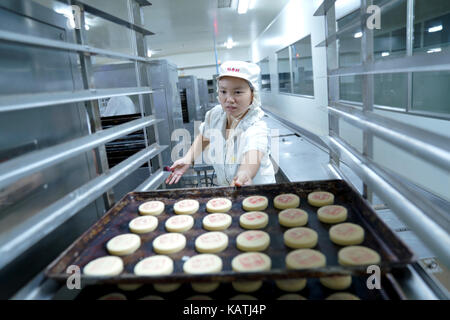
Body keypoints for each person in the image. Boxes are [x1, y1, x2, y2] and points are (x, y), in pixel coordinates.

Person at [165, 60, 275, 187]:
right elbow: (205, 136)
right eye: (223, 91)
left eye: (238, 92)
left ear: (252, 94)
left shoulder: (256, 126)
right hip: (228, 187)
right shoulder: (216, 114)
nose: (229, 99)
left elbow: (254, 152)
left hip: (256, 192)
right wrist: (188, 158)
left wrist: (245, 174)